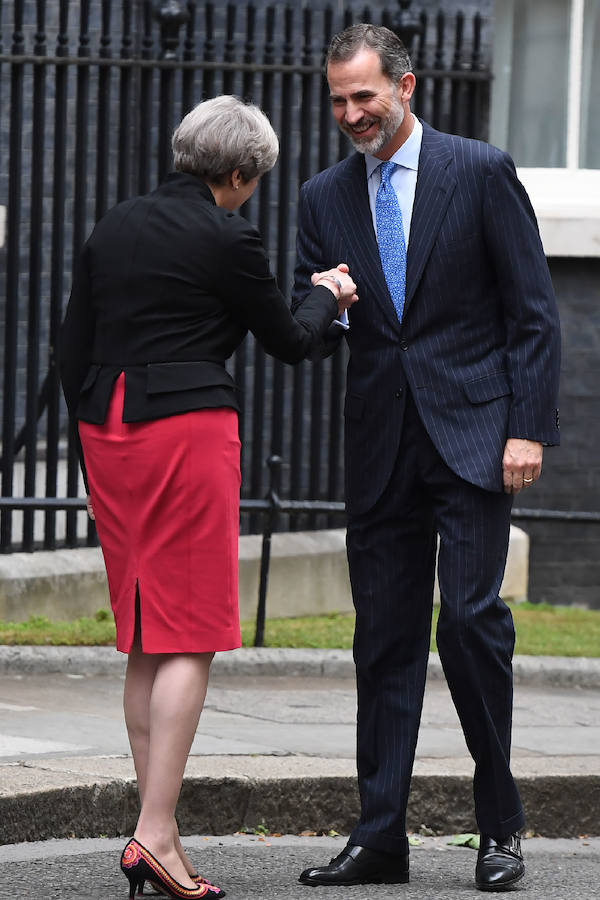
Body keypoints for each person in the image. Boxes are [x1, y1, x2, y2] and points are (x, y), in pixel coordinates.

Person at [59, 94, 357, 900]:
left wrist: (91, 459)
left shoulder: (114, 222)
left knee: (147, 634)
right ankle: (153, 833)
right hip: (183, 430)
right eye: (252, 181)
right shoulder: (228, 233)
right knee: (189, 631)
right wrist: (328, 295)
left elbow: (70, 347)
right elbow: (291, 343)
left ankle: (163, 830)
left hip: (105, 429)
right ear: (237, 173)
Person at [293, 24, 560, 893]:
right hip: (380, 443)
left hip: (476, 432)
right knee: (385, 638)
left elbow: (532, 312)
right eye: (337, 99)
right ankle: (380, 839)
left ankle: (500, 828)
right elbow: (322, 328)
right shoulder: (321, 196)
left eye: (363, 95)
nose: (350, 114)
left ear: (406, 87)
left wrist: (529, 428)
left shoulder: (479, 171)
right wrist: (325, 307)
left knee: (473, 622)